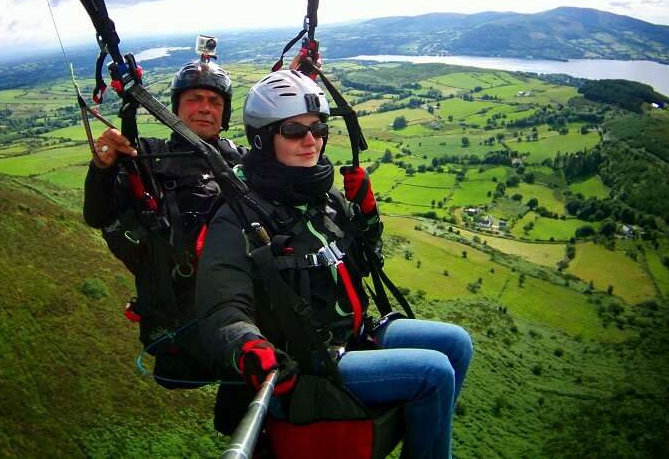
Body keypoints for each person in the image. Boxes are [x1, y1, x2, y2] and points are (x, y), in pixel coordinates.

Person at [196, 69, 473, 458]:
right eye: (294, 130)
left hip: (357, 336)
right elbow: (221, 309)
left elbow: (365, 262)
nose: (311, 140)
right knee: (434, 374)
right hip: (310, 362)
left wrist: (367, 215)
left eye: (319, 127)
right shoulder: (239, 217)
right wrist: (249, 347)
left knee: (457, 344)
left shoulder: (324, 199)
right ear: (262, 139)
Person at [83, 59, 246, 388]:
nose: (204, 108)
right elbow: (97, 215)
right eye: (193, 99)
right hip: (181, 326)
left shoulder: (241, 163)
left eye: (214, 101)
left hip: (242, 318)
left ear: (225, 113)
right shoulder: (144, 160)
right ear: (175, 108)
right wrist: (102, 169)